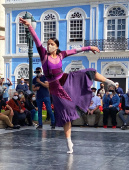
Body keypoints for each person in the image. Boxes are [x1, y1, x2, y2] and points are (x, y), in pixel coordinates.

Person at [20, 17, 115, 154]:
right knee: (66, 115)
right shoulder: (44, 55)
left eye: (52, 44)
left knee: (88, 72)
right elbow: (36, 40)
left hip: (66, 80)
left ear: (57, 46)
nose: (49, 45)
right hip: (55, 87)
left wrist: (90, 47)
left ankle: (107, 81)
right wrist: (30, 26)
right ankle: (69, 142)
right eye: (48, 43)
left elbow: (76, 50)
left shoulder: (61, 54)